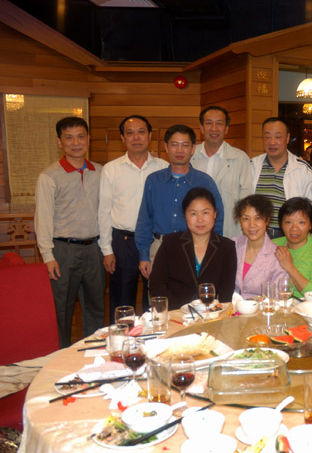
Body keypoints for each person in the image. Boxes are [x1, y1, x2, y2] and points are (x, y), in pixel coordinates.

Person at [35, 117, 105, 347]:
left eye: (80, 136)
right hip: (62, 251)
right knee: (61, 309)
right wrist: (48, 256)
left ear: (89, 139)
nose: (76, 143)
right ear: (59, 142)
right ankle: (60, 356)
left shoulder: (100, 172)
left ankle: (93, 352)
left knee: (96, 307)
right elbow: (43, 218)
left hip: (94, 249)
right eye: (69, 138)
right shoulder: (49, 176)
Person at [98, 115, 168, 320]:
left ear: (150, 135)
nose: (136, 137)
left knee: (154, 298)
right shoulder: (111, 169)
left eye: (141, 132)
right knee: (121, 300)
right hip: (123, 242)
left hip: (154, 241)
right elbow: (104, 211)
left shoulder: (163, 167)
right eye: (130, 133)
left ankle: (154, 336)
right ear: (122, 138)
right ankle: (122, 337)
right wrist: (107, 250)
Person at [135, 124, 224, 280]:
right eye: (174, 144)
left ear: (193, 148)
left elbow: (217, 219)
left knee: (194, 294)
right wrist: (143, 255)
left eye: (185, 145)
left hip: (195, 247)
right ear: (166, 147)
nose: (180, 150)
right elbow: (145, 220)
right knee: (159, 294)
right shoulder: (154, 181)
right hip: (159, 247)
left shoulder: (204, 181)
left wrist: (212, 251)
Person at [149, 187, 236, 309]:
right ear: (185, 215)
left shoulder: (227, 247)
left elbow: (226, 291)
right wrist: (180, 311)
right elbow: (156, 285)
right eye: (193, 213)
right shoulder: (170, 243)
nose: (200, 219)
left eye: (205, 212)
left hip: (211, 314)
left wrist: (214, 313)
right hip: (175, 312)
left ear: (215, 214)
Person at [250, 117, 312, 238]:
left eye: (278, 137)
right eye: (267, 137)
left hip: (289, 236)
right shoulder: (251, 166)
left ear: (288, 138)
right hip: (257, 236)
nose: (272, 142)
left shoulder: (303, 170)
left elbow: (309, 211)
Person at [192, 105, 252, 237]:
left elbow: (246, 202)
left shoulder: (240, 158)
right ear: (201, 128)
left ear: (226, 129)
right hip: (194, 232)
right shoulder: (190, 156)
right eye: (209, 123)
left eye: (219, 123)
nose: (214, 128)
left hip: (229, 233)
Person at [272, 197, 312, 298]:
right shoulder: (272, 246)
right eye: (288, 222)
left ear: (310, 225)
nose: (294, 228)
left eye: (301, 222)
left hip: (306, 306)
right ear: (281, 224)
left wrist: (289, 267)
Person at [232, 195, 288, 299]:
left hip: (263, 308)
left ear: (267, 220)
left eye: (257, 218)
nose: (251, 225)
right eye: (246, 218)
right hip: (231, 307)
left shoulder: (277, 254)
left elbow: (278, 295)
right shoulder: (232, 245)